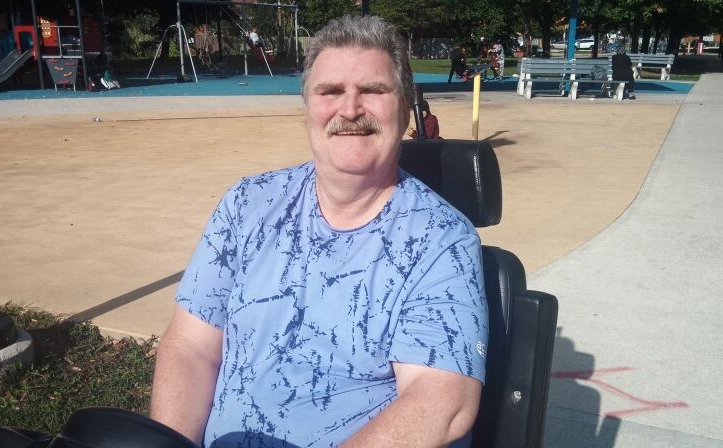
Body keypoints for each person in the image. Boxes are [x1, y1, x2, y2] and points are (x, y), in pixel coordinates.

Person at [150, 14, 488, 448]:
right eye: (330, 91)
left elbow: (442, 403)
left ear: (405, 110)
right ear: (307, 108)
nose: (349, 109)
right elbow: (191, 347)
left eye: (373, 91)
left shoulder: (441, 241)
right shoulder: (247, 204)